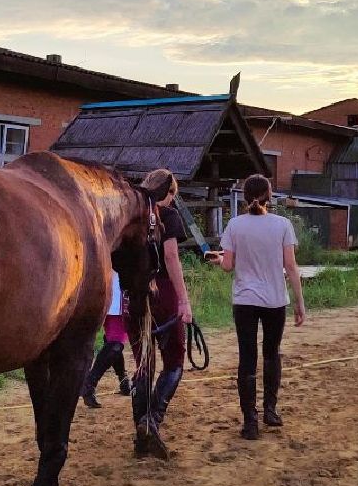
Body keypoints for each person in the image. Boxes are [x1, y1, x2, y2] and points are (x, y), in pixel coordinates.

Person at [207, 175, 305, 440]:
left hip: (245, 300)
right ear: (268, 195)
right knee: (272, 353)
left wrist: (219, 261)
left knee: (247, 358)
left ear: (246, 195)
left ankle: (250, 421)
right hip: (275, 299)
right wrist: (299, 301)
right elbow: (291, 267)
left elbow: (228, 265)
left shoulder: (235, 225)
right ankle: (270, 410)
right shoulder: (282, 224)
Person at [129, 168, 192, 460]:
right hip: (162, 292)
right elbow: (171, 257)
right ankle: (152, 420)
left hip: (134, 295)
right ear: (169, 192)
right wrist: (183, 300)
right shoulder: (168, 216)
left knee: (143, 363)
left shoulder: (131, 214)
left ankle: (141, 434)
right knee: (175, 360)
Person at [81, 271, 132, 409]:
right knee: (116, 341)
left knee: (113, 339)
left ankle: (123, 380)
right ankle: (89, 383)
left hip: (103, 282)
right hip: (115, 284)